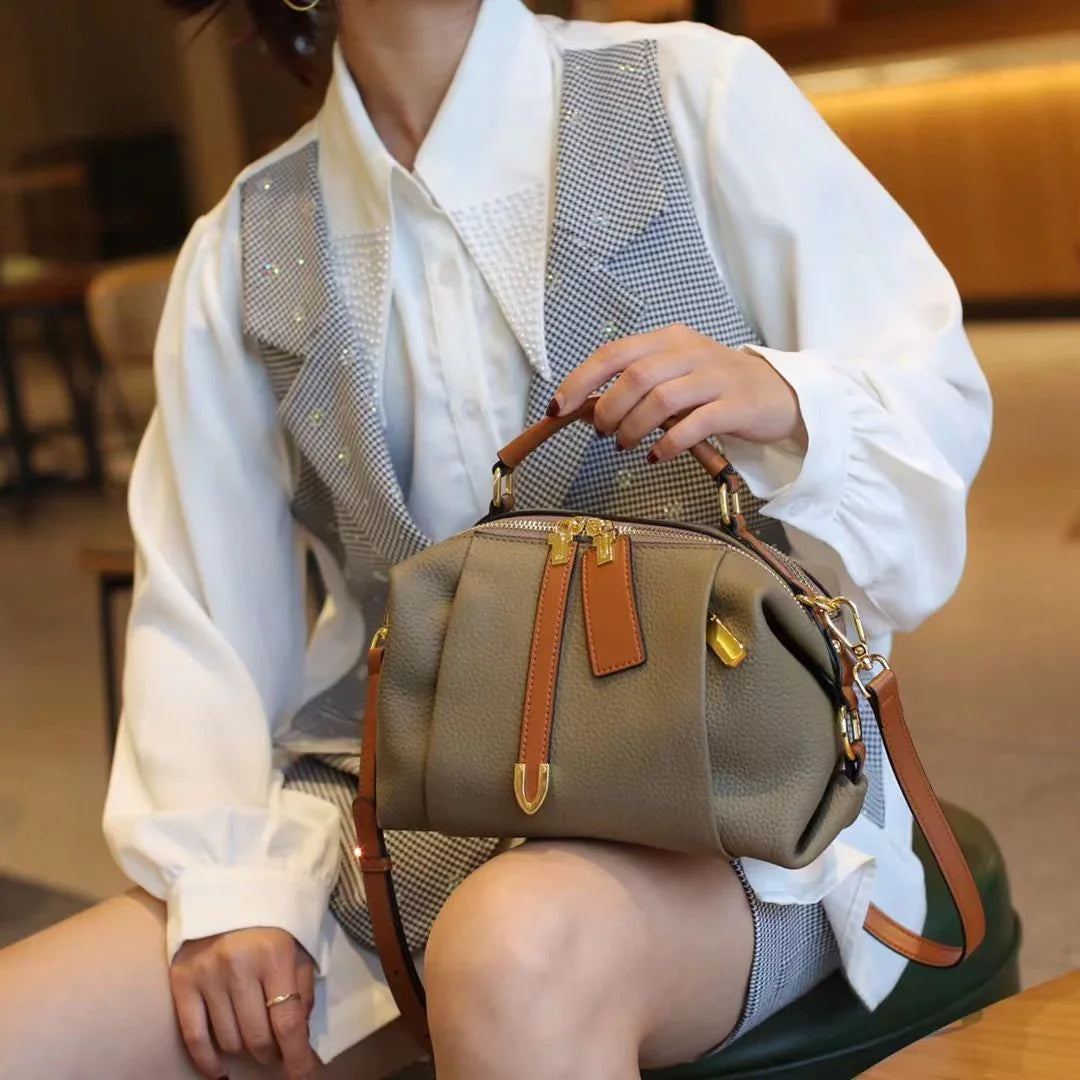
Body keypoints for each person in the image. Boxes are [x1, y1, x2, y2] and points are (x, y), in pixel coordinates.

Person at [0, 1, 992, 1078]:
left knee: (509, 950)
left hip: (734, 806)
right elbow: (204, 612)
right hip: (390, 803)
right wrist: (229, 887)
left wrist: (789, 399)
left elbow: (931, 401)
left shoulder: (696, 92)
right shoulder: (246, 241)